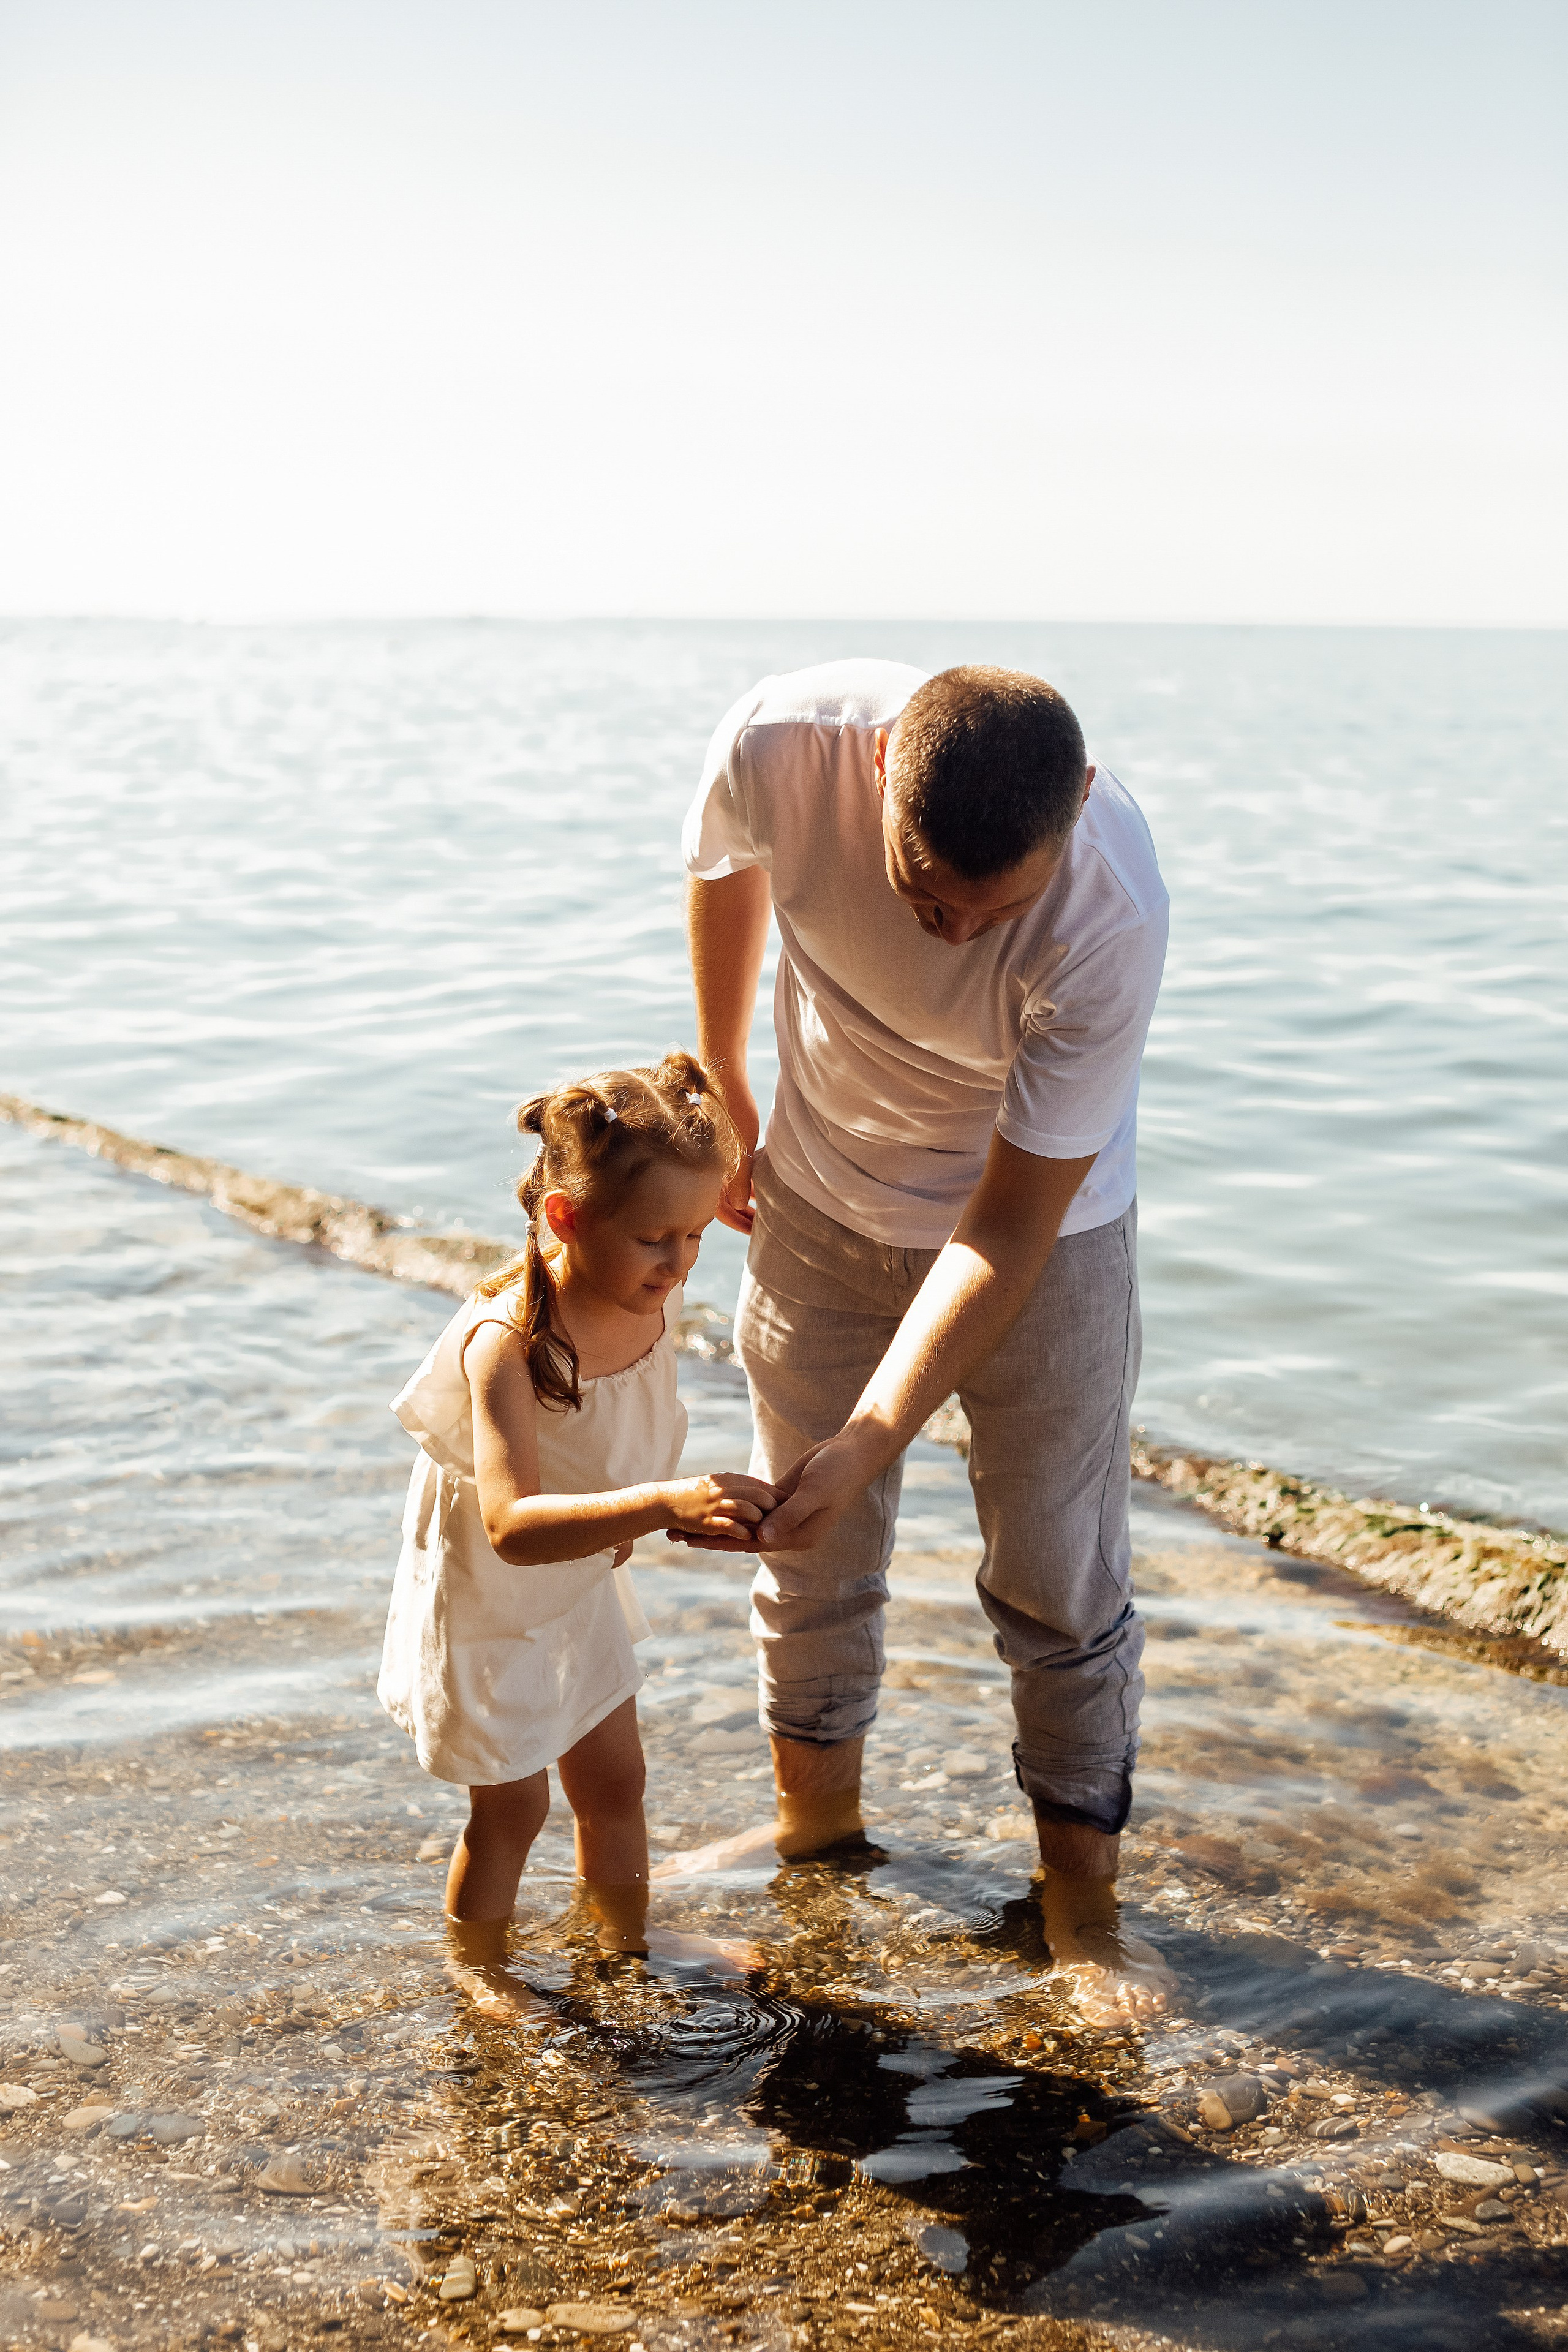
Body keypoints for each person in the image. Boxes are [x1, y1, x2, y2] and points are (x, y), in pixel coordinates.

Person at [668, 660, 1176, 2024]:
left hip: (1042, 1237)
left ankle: (1081, 1908)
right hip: (819, 1196)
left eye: (984, 907)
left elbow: (1003, 1233)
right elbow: (724, 864)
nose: (948, 929)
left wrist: (878, 1430)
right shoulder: (781, 745)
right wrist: (723, 1064)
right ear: (881, 760)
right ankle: (813, 1834)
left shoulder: (1109, 916)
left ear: (1073, 808)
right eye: (919, 886)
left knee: (1057, 1577)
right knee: (806, 1539)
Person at [377, 1050, 774, 2003]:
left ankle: (623, 1943)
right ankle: (481, 1970)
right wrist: (663, 1502)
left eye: (693, 1237)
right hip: (490, 1598)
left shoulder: (646, 1295)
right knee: (513, 1805)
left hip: (581, 1577)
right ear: (566, 1218)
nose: (678, 1265)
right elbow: (512, 1523)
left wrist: (668, 1513)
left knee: (615, 1783)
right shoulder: (508, 1343)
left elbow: (617, 1442)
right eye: (654, 1241)